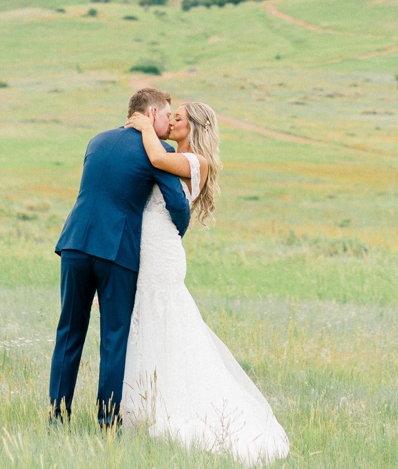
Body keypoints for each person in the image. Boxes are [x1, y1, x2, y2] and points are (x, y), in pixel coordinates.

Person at [121, 100, 290, 465]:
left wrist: (145, 124)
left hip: (162, 253)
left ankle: (166, 406)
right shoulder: (173, 152)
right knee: (146, 322)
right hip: (145, 247)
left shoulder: (196, 161)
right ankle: (142, 404)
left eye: (178, 118)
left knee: (162, 318)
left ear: (194, 127)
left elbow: (156, 160)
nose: (172, 121)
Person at [50, 86, 191, 428]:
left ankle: (57, 416)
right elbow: (177, 205)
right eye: (166, 115)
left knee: (69, 331)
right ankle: (107, 421)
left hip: (74, 244)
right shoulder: (156, 151)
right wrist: (176, 235)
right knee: (114, 338)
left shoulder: (96, 140)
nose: (169, 125)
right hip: (116, 252)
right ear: (152, 113)